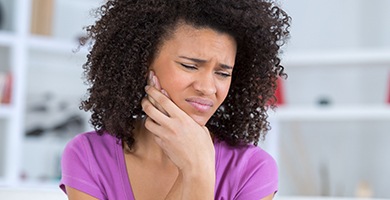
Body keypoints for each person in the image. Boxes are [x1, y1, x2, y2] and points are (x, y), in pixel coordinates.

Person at [59, 0, 290, 199]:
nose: (207, 88)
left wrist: (197, 169)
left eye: (222, 73)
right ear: (144, 63)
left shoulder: (251, 169)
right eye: (189, 66)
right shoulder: (89, 156)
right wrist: (195, 170)